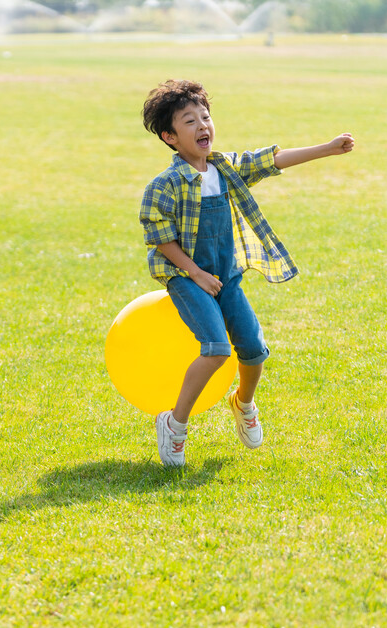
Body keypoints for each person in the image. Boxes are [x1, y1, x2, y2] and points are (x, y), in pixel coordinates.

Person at [139, 79, 353, 466]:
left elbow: (271, 160)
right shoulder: (165, 185)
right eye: (190, 121)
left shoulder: (227, 169)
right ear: (170, 137)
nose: (203, 125)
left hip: (226, 275)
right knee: (217, 348)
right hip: (186, 277)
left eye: (205, 117)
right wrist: (196, 274)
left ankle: (244, 403)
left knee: (254, 350)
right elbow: (160, 239)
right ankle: (174, 424)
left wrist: (328, 148)